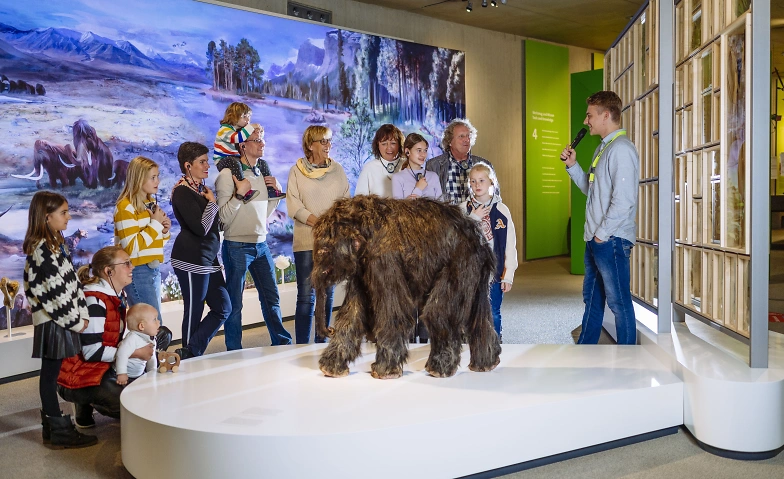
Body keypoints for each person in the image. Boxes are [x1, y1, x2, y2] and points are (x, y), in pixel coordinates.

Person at [58, 246, 171, 428]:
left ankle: (121, 382)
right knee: (137, 402)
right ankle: (85, 401)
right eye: (126, 263)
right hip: (81, 372)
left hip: (102, 364)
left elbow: (112, 337)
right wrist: (135, 353)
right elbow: (91, 351)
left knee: (161, 333)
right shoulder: (93, 300)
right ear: (108, 271)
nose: (132, 267)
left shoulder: (114, 296)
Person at [559, 90, 639, 345]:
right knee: (592, 299)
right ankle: (586, 351)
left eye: (589, 115)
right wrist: (573, 166)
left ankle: (629, 359)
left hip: (611, 240)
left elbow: (624, 201)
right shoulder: (602, 150)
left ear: (606, 115)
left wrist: (601, 235)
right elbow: (591, 190)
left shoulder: (622, 150)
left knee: (618, 303)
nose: (586, 121)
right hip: (597, 239)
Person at [24, 191, 96, 448]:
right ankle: (57, 429)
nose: (68, 217)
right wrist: (78, 322)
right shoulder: (42, 250)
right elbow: (54, 296)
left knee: (50, 373)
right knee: (50, 374)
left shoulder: (54, 245)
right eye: (63, 213)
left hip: (62, 320)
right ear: (46, 217)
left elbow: (71, 284)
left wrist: (81, 314)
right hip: (54, 323)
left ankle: (53, 428)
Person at [216, 126, 292, 350]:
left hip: (261, 244)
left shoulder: (263, 173)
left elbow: (264, 214)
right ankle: (233, 351)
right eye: (256, 140)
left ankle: (282, 343)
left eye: (263, 139)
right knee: (235, 304)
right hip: (236, 245)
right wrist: (240, 194)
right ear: (243, 145)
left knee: (272, 298)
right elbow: (222, 218)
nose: (262, 144)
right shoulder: (227, 175)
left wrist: (276, 194)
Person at [287, 126, 350, 343]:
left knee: (328, 293)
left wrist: (332, 226)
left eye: (329, 141)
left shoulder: (338, 170)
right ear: (310, 144)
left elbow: (345, 203)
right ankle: (302, 345)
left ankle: (321, 340)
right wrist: (320, 222)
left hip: (332, 242)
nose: (327, 146)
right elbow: (294, 205)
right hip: (306, 241)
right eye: (322, 141)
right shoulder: (296, 171)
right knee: (306, 295)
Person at [170, 141, 231, 359]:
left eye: (207, 161)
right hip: (190, 259)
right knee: (194, 310)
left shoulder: (201, 189)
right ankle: (187, 360)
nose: (207, 166)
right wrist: (213, 203)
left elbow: (214, 226)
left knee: (224, 307)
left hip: (209, 259)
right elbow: (201, 228)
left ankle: (190, 351)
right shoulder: (182, 192)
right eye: (202, 162)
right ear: (188, 165)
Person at [459, 162, 518, 341]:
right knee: (471, 310)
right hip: (472, 273)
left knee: (493, 311)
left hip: (495, 273)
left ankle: (494, 344)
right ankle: (473, 344)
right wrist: (474, 218)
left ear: (491, 182)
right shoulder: (463, 209)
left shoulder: (502, 210)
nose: (477, 185)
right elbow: (459, 240)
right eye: (473, 181)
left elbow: (510, 244)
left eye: (482, 181)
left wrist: (508, 275)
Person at [115, 156, 171, 324]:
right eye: (153, 177)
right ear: (139, 179)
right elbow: (131, 249)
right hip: (137, 271)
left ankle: (155, 351)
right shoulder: (125, 207)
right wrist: (155, 224)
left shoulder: (149, 204)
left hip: (152, 269)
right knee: (151, 325)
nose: (157, 181)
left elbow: (156, 245)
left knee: (153, 324)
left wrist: (164, 231)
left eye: (158, 176)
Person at [214, 102, 284, 202]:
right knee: (235, 163)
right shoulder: (224, 130)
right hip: (223, 160)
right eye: (244, 117)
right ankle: (243, 189)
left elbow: (250, 136)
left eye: (249, 118)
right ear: (233, 116)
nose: (248, 121)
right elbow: (238, 138)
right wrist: (251, 127)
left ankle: (271, 190)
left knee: (262, 163)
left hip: (234, 158)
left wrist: (259, 131)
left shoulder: (238, 130)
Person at [426, 118, 492, 205]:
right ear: (450, 141)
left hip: (478, 217)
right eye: (461, 136)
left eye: (468, 136)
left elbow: (495, 196)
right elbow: (428, 201)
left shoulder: (484, 164)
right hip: (447, 218)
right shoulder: (433, 165)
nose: (466, 140)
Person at [354, 124, 404, 197]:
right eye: (384, 144)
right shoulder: (369, 168)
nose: (389, 148)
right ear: (377, 145)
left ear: (399, 144)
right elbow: (359, 202)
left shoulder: (408, 165)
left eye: (393, 143)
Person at [114, 304, 159, 386]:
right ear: (142, 326)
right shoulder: (132, 338)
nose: (158, 322)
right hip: (126, 376)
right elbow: (121, 354)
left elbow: (151, 358)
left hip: (139, 375)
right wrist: (121, 373)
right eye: (154, 320)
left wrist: (152, 373)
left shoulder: (151, 338)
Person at [391, 133, 442, 200]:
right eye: (419, 150)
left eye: (425, 150)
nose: (423, 155)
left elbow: (442, 207)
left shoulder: (433, 176)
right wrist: (418, 189)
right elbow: (399, 209)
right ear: (407, 152)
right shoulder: (398, 178)